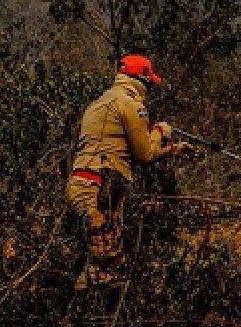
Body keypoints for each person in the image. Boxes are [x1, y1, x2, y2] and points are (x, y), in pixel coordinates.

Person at [66, 54, 188, 289]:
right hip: (101, 189)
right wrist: (162, 131)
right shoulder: (132, 104)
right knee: (107, 276)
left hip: (81, 185)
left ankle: (79, 318)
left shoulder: (99, 102)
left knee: (90, 269)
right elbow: (145, 154)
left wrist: (172, 150)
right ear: (142, 80)